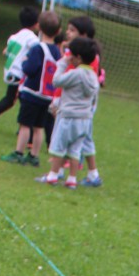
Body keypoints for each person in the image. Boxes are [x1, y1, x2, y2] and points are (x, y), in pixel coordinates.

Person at [36, 37, 99, 189]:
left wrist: (63, 63)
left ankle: (53, 175)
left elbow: (57, 81)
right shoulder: (93, 76)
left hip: (69, 117)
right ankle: (72, 179)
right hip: (84, 120)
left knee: (59, 146)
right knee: (75, 150)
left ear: (78, 58)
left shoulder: (76, 74)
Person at [1, 9, 60, 166]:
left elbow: (30, 69)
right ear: (58, 31)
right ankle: (34, 156)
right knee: (39, 127)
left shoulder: (38, 49)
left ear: (39, 27)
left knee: (25, 124)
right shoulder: (57, 51)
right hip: (47, 94)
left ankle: (19, 153)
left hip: (32, 92)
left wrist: (25, 62)